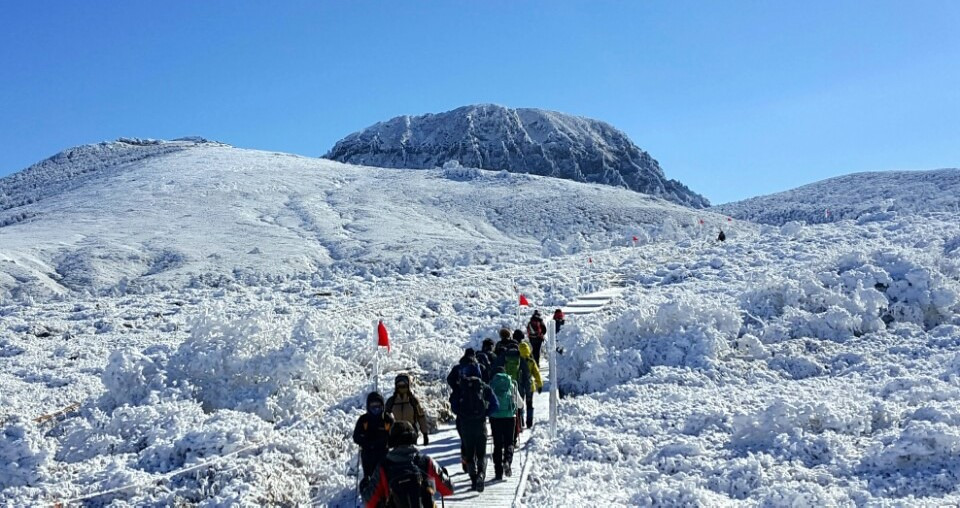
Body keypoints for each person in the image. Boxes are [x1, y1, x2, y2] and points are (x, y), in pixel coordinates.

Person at [363, 421, 454, 508]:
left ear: (391, 441)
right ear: (414, 437)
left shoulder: (383, 466)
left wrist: (364, 487)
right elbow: (448, 490)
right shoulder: (426, 461)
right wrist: (445, 476)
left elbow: (369, 503)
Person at [450, 364, 499, 492]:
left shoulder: (460, 387)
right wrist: (485, 413)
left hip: (465, 426)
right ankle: (481, 476)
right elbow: (495, 405)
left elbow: (454, 407)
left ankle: (473, 480)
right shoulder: (484, 387)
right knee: (481, 454)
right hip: (480, 424)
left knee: (470, 454)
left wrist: (462, 414)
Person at [353, 392, 395, 487]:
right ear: (368, 406)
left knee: (385, 477)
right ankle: (370, 497)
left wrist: (385, 441)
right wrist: (365, 442)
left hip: (383, 453)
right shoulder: (363, 420)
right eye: (373, 405)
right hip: (368, 453)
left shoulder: (387, 419)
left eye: (378, 405)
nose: (376, 408)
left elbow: (394, 435)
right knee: (369, 478)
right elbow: (356, 437)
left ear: (382, 406)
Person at [488, 367, 523, 480]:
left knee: (497, 444)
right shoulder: (511, 384)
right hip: (509, 417)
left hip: (495, 418)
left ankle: (498, 472)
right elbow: (520, 404)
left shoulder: (492, 385)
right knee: (509, 442)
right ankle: (507, 461)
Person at [386, 374, 430, 445]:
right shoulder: (391, 401)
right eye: (399, 386)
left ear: (408, 386)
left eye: (404, 385)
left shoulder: (413, 401)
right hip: (395, 434)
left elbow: (421, 417)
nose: (402, 388)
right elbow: (385, 419)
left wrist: (425, 434)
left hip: (410, 432)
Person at [518, 342, 543, 429]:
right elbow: (537, 374)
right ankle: (529, 422)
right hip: (529, 386)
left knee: (519, 405)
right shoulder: (531, 361)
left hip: (519, 386)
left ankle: (519, 423)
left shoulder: (517, 361)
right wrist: (539, 384)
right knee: (529, 404)